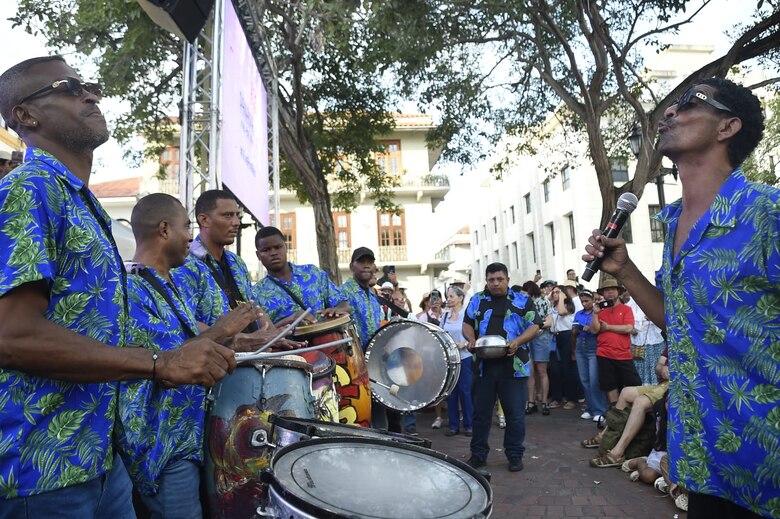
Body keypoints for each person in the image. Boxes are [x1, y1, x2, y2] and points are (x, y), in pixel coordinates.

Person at [0, 56, 234, 517]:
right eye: (70, 87)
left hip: (103, 461)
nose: (91, 94)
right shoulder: (29, 189)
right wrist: (161, 363)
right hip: (45, 471)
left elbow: (98, 331)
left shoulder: (84, 205)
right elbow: (11, 336)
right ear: (25, 116)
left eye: (89, 84)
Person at [583, 78, 778, 518]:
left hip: (765, 459)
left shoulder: (767, 213)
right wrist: (625, 270)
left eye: (688, 103)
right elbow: (680, 319)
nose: (668, 113)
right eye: (669, 107)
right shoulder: (671, 223)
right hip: (699, 460)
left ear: (727, 127)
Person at [117, 194, 265, 518]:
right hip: (162, 445)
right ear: (165, 229)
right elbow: (171, 362)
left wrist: (238, 338)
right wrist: (222, 329)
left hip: (189, 439)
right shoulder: (131, 289)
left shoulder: (168, 286)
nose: (189, 236)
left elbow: (189, 347)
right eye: (186, 227)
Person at [463, 263, 541, 472]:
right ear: (486, 280)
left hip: (514, 366)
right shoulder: (477, 299)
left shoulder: (522, 300)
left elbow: (535, 326)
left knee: (515, 414)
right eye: (491, 280)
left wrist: (517, 341)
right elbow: (467, 324)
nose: (495, 283)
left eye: (499, 279)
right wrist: (471, 339)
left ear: (507, 279)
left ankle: (515, 455)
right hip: (483, 366)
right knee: (480, 414)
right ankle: (478, 455)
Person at [173, 189, 264, 330]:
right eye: (228, 216)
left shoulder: (237, 261)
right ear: (204, 220)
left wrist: (273, 335)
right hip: (218, 351)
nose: (236, 222)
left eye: (237, 215)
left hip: (256, 350)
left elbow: (254, 306)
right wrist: (239, 341)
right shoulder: (184, 264)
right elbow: (185, 322)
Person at [251, 225, 349, 326]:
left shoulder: (313, 273)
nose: (273, 253)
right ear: (258, 255)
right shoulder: (256, 293)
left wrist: (337, 310)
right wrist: (290, 320)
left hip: (327, 339)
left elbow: (343, 303)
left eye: (278, 247)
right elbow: (263, 335)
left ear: (286, 247)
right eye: (266, 250)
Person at [590, 276, 641, 405]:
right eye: (606, 290)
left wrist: (607, 327)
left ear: (619, 291)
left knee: (634, 383)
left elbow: (628, 328)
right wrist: (595, 314)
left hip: (623, 354)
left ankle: (631, 411)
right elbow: (594, 330)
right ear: (602, 294)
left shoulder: (626, 309)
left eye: (613, 289)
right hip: (604, 353)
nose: (610, 292)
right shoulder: (600, 310)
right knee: (610, 385)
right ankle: (615, 414)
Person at [441, 286, 473, 436]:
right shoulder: (445, 316)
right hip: (450, 359)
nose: (448, 299)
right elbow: (441, 334)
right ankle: (453, 425)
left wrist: (465, 344)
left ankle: (469, 424)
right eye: (448, 296)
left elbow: (474, 335)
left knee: (465, 392)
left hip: (465, 357)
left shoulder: (466, 314)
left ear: (460, 298)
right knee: (451, 393)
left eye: (452, 296)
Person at [572, 289, 607, 422]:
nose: (584, 303)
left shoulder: (597, 312)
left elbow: (598, 328)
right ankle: (590, 408)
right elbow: (574, 330)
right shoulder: (578, 313)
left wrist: (589, 327)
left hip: (593, 344)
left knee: (594, 379)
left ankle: (599, 410)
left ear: (592, 300)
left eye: (587, 301)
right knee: (584, 379)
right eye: (582, 301)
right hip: (580, 343)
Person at [522, 280, 554, 416]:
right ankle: (531, 401)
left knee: (542, 370)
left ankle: (544, 401)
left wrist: (537, 327)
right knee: (530, 371)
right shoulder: (522, 304)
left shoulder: (543, 302)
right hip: (527, 339)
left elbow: (549, 321)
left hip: (541, 338)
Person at [623, 288, 666, 385]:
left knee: (654, 366)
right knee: (639, 368)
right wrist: (632, 329)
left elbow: (662, 320)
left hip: (653, 343)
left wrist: (653, 317)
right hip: (636, 344)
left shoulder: (653, 304)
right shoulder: (628, 306)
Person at [548, 284, 578, 410]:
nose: (555, 294)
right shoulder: (551, 306)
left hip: (567, 336)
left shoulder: (567, 305)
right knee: (554, 369)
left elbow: (561, 312)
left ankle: (572, 398)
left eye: (558, 292)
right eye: (554, 292)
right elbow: (547, 300)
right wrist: (552, 296)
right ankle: (557, 397)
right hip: (555, 337)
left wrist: (561, 297)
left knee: (567, 368)